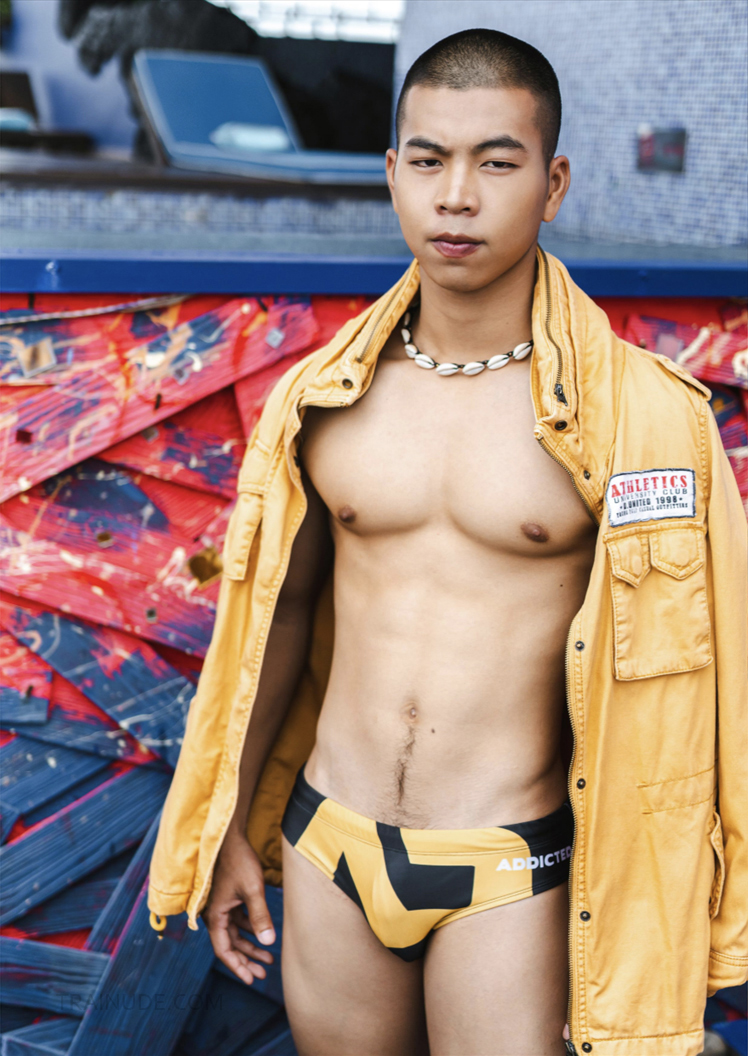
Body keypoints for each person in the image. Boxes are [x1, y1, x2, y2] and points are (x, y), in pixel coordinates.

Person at [147, 29, 748, 1056]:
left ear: (553, 183)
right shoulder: (319, 400)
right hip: (330, 842)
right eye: (428, 160)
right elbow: (277, 616)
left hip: (513, 866)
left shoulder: (647, 422)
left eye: (496, 163)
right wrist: (230, 820)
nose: (456, 196)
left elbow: (712, 679)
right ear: (393, 173)